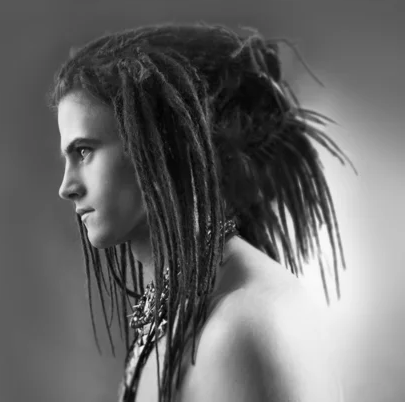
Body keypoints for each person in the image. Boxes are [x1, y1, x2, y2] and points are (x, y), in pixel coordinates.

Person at [49, 22, 353, 402]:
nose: (67, 187)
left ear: (159, 143)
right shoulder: (180, 305)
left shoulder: (244, 326)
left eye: (84, 152)